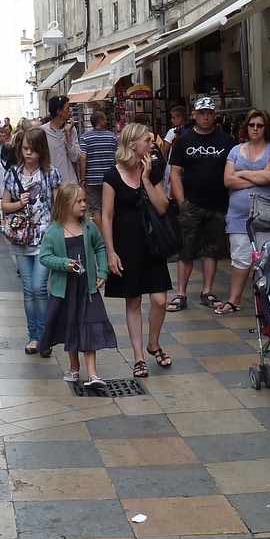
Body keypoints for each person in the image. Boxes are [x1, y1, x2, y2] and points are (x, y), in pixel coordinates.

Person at [100, 122, 174, 378]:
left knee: (160, 299)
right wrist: (110, 251)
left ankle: (153, 343)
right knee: (133, 301)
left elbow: (163, 206)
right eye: (147, 140)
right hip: (125, 244)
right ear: (132, 145)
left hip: (151, 244)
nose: (152, 144)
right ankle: (139, 357)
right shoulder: (112, 175)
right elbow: (106, 216)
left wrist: (145, 179)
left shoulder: (151, 170)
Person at [39, 184, 117, 387]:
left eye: (84, 200)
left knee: (89, 325)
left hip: (87, 289)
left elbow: (100, 247)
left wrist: (102, 272)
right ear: (65, 205)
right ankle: (74, 367)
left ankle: (93, 373)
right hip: (65, 291)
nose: (84, 205)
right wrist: (64, 264)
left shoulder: (89, 226)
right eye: (79, 201)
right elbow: (45, 257)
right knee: (70, 327)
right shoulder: (53, 232)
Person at [168, 97, 237, 312]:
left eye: (209, 113)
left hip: (218, 204)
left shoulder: (227, 141)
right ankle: (181, 293)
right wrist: (182, 202)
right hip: (192, 203)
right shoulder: (183, 141)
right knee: (186, 250)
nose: (206, 117)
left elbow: (233, 172)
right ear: (194, 115)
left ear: (215, 115)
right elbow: (175, 174)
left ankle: (207, 291)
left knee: (212, 250)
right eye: (202, 113)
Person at [0, 126, 62, 354]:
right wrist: (20, 203)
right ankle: (33, 336)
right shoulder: (12, 173)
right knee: (28, 290)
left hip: (45, 237)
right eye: (25, 149)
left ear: (41, 151)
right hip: (21, 237)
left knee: (39, 287)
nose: (28, 154)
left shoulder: (51, 173)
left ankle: (45, 336)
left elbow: (59, 206)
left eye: (33, 150)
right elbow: (5, 206)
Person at [221, 108, 270, 316]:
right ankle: (234, 299)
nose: (255, 129)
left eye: (260, 125)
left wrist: (242, 173)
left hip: (269, 216)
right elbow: (227, 180)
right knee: (239, 257)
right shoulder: (235, 150)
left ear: (267, 128)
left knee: (268, 259)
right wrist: (259, 175)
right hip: (239, 217)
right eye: (252, 125)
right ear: (246, 127)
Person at [43, 95, 86, 189]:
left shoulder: (71, 130)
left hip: (70, 183)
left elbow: (75, 157)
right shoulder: (43, 132)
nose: (71, 110)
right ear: (59, 112)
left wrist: (68, 134)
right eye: (68, 108)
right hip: (51, 184)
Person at [81, 109, 119, 201]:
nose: (107, 121)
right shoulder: (113, 137)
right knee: (110, 204)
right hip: (111, 177)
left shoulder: (85, 137)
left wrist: (82, 178)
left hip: (92, 178)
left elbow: (83, 158)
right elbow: (118, 157)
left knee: (95, 207)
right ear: (101, 122)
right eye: (105, 119)